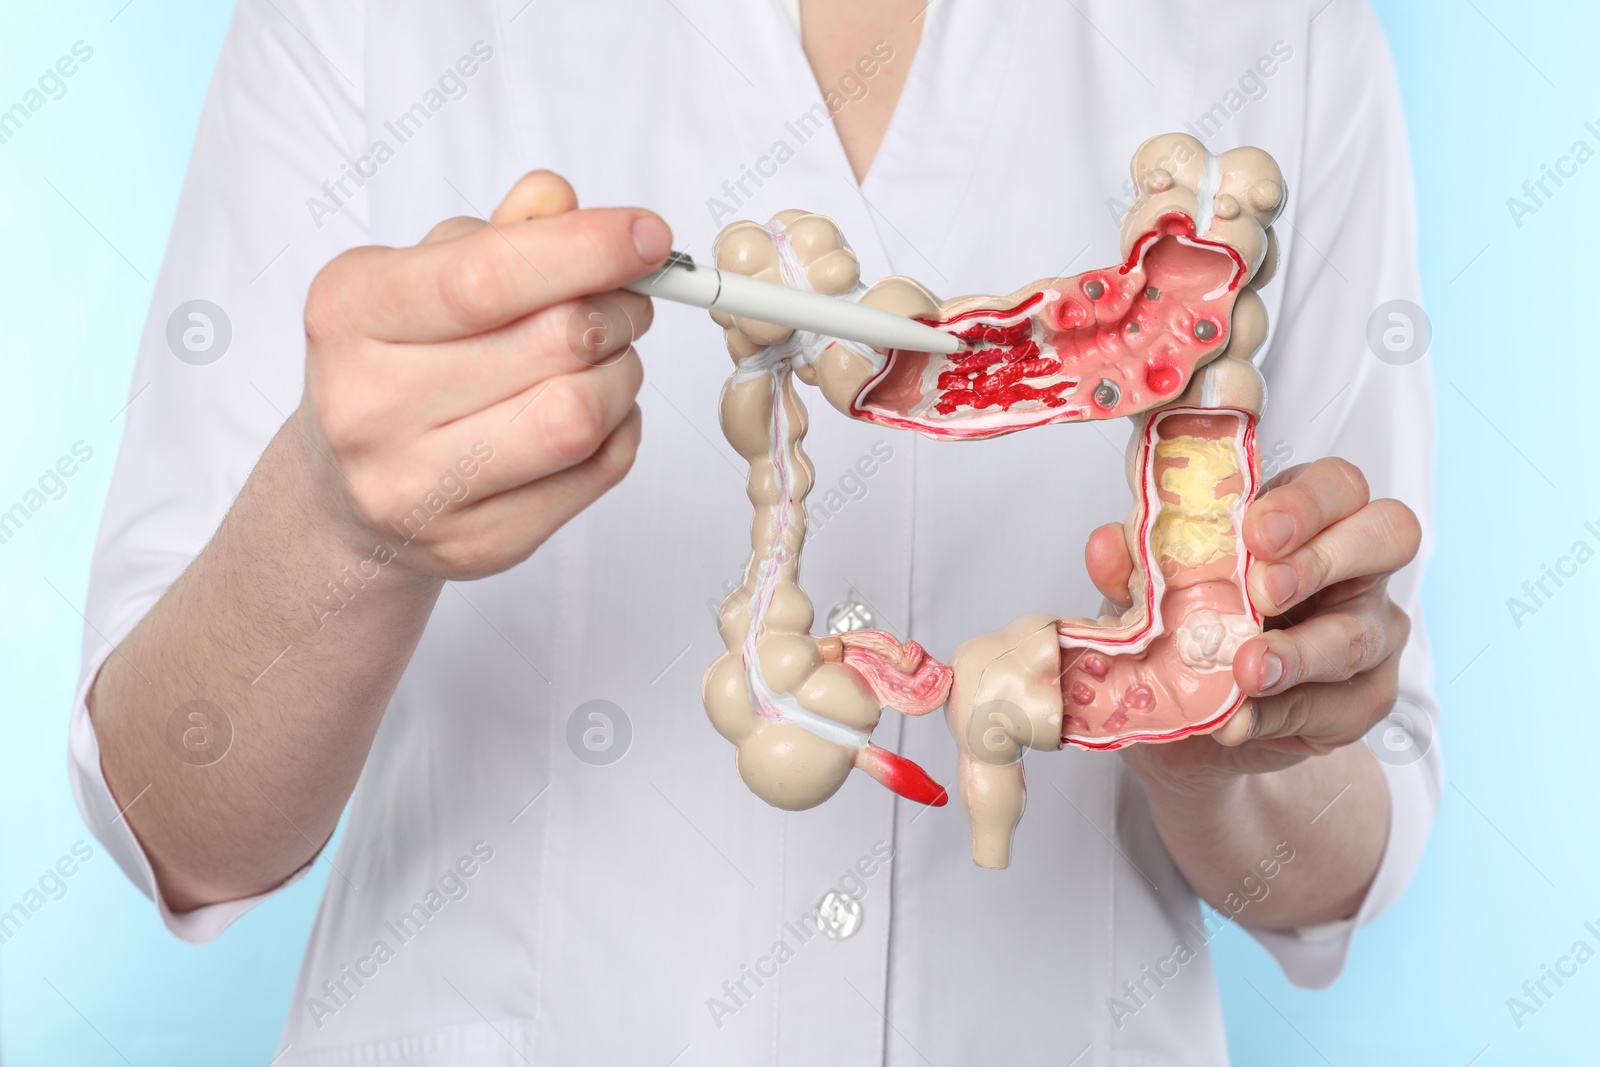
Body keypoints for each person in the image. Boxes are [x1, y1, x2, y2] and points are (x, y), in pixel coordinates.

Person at [71, 1, 1438, 1063]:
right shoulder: (365, 24)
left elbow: (1340, 863)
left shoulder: (1286, 38)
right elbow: (174, 820)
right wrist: (341, 531)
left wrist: (1217, 751)